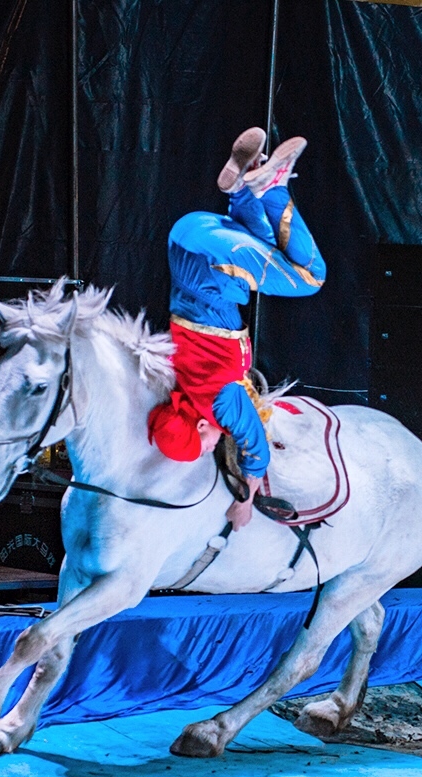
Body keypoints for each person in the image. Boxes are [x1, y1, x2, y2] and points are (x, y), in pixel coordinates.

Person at [147, 128, 325, 530]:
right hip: (188, 236)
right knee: (263, 242)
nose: (211, 447)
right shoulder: (177, 384)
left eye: (204, 445)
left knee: (312, 277)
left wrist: (245, 500)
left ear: (201, 427)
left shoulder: (218, 406)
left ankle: (272, 186)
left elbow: (254, 446)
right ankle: (244, 186)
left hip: (213, 267)